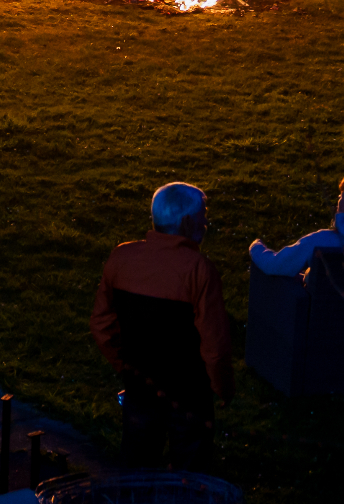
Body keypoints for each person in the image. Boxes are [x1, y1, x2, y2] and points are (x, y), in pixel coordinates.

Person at [90, 182, 233, 471]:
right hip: (189, 396)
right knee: (190, 474)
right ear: (187, 222)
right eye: (204, 216)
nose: (206, 223)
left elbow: (102, 325)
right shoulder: (199, 270)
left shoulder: (121, 258)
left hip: (140, 388)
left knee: (136, 468)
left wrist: (124, 367)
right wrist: (222, 388)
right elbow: (214, 347)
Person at [248, 173, 344, 276]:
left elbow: (274, 266)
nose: (337, 202)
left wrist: (255, 246)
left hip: (319, 318)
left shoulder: (322, 241)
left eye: (340, 198)